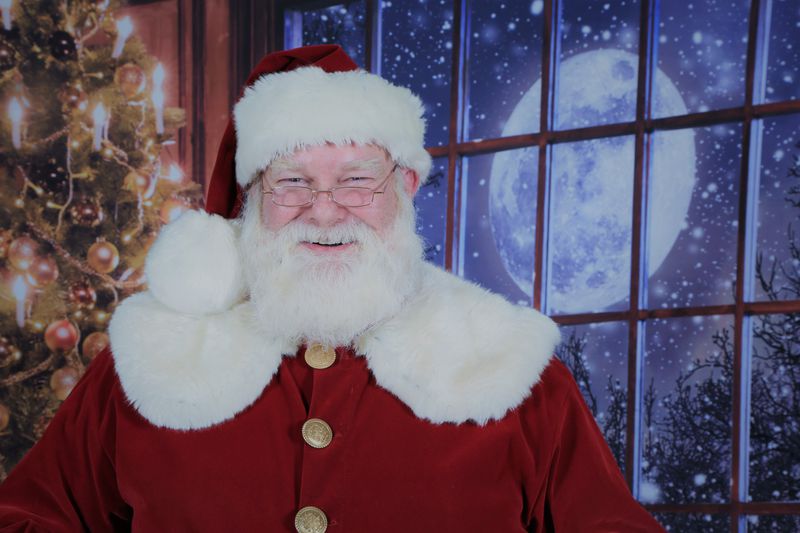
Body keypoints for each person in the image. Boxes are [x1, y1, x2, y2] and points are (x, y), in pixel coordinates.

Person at [0, 45, 664, 532]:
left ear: (402, 188)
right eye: (291, 182)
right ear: (251, 200)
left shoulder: (510, 368)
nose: (324, 210)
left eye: (355, 180)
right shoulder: (152, 358)